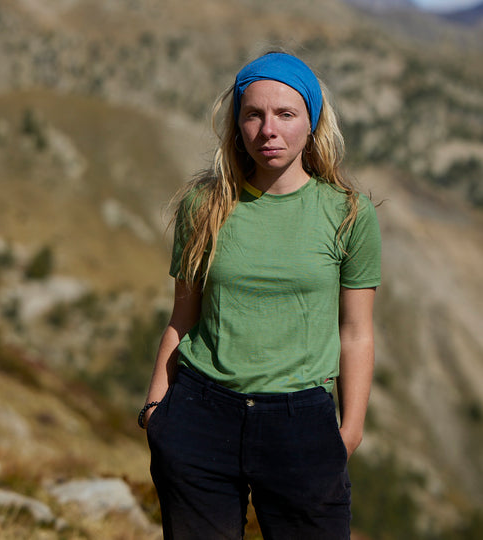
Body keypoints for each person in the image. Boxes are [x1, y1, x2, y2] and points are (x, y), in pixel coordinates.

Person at [138, 51, 381, 540]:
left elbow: (356, 332)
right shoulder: (205, 206)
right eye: (254, 114)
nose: (268, 129)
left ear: (311, 124)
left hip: (302, 424)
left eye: (286, 115)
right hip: (200, 414)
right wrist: (156, 413)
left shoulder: (349, 214)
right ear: (237, 125)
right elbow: (182, 316)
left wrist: (348, 433)